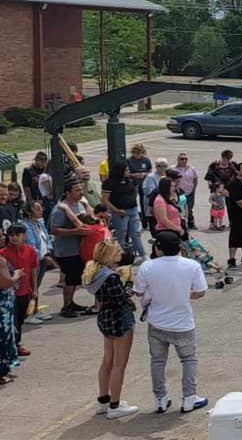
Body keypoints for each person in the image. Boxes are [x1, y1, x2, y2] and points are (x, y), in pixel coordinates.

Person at [134, 230, 208, 414]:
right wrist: (184, 294)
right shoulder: (191, 266)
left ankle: (160, 399)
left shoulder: (147, 267)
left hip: (157, 322)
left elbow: (138, 291)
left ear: (158, 248)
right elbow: (200, 292)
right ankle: (189, 398)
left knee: (158, 361)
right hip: (182, 322)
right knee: (189, 359)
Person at [84, 239, 140, 418]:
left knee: (107, 360)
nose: (120, 254)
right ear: (110, 255)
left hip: (105, 319)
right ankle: (115, 406)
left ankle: (104, 400)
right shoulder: (112, 277)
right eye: (117, 252)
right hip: (119, 320)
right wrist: (130, 287)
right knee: (119, 365)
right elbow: (121, 299)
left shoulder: (95, 273)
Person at [50, 182, 96, 318]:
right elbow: (54, 230)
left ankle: (71, 302)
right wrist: (75, 231)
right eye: (77, 190)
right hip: (66, 250)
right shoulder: (60, 209)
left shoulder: (81, 204)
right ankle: (66, 306)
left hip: (79, 249)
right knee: (70, 279)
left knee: (75, 279)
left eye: (81, 190)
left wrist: (87, 204)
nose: (81, 192)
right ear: (68, 192)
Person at [3, 224, 38, 356]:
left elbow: (34, 270)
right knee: (11, 321)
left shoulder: (30, 251)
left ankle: (16, 343)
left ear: (24, 235)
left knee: (20, 319)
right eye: (11, 235)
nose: (14, 238)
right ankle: (14, 345)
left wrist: (35, 289)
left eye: (17, 235)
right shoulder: (3, 253)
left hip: (25, 291)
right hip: (8, 294)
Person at [18, 200, 53, 325]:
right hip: (34, 261)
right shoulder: (25, 226)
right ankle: (28, 314)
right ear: (29, 212)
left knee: (36, 286)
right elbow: (31, 246)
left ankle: (35, 310)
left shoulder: (40, 223)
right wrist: (43, 257)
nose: (41, 210)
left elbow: (47, 238)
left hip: (43, 259)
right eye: (37, 209)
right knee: (31, 287)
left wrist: (48, 252)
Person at [102, 160, 144, 261]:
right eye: (126, 170)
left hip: (133, 210)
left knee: (136, 234)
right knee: (121, 235)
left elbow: (135, 190)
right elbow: (104, 199)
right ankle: (120, 257)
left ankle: (143, 255)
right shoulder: (109, 183)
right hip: (120, 213)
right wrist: (116, 210)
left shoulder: (131, 180)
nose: (128, 172)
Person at [203, 150, 237, 231]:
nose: (227, 161)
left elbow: (237, 176)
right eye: (225, 158)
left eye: (229, 159)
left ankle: (232, 223)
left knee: (231, 206)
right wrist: (213, 189)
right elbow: (209, 178)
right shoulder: (214, 165)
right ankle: (213, 223)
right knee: (215, 206)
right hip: (216, 189)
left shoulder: (233, 165)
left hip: (229, 189)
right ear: (222, 157)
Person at [0, 252, 17, 385]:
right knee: (3, 337)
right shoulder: (1, 261)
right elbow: (6, 282)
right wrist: (16, 274)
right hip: (2, 304)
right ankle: (2, 373)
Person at [140, 158, 170, 231]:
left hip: (166, 204)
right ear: (156, 167)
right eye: (160, 166)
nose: (162, 168)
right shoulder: (151, 177)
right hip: (154, 205)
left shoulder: (168, 176)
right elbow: (151, 192)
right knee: (155, 226)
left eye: (164, 166)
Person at [173, 153, 198, 226]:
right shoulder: (173, 169)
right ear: (178, 160)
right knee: (180, 208)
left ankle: (191, 223)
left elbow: (195, 179)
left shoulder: (192, 168)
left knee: (190, 208)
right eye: (182, 159)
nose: (184, 160)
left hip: (190, 192)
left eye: (185, 159)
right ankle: (180, 223)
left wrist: (194, 189)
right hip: (179, 193)